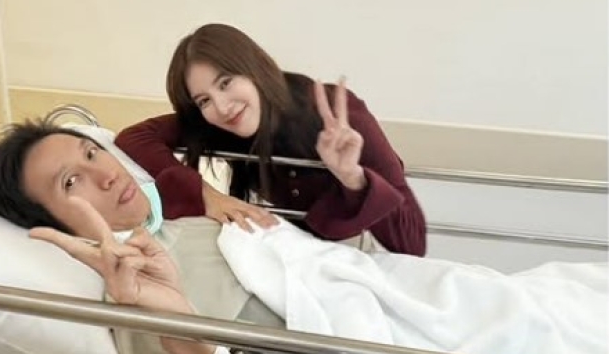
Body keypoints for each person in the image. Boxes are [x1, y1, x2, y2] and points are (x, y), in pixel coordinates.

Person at [0, 120, 305, 354]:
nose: (107, 175)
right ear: (53, 223)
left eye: (92, 153)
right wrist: (185, 333)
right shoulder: (142, 298)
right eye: (71, 181)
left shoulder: (184, 219)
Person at [115, 23, 427, 256]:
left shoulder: (336, 115)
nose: (222, 106)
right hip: (294, 251)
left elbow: (412, 243)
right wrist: (204, 193)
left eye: (226, 83)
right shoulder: (220, 124)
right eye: (204, 100)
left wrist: (353, 178)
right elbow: (134, 137)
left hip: (355, 251)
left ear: (254, 70)